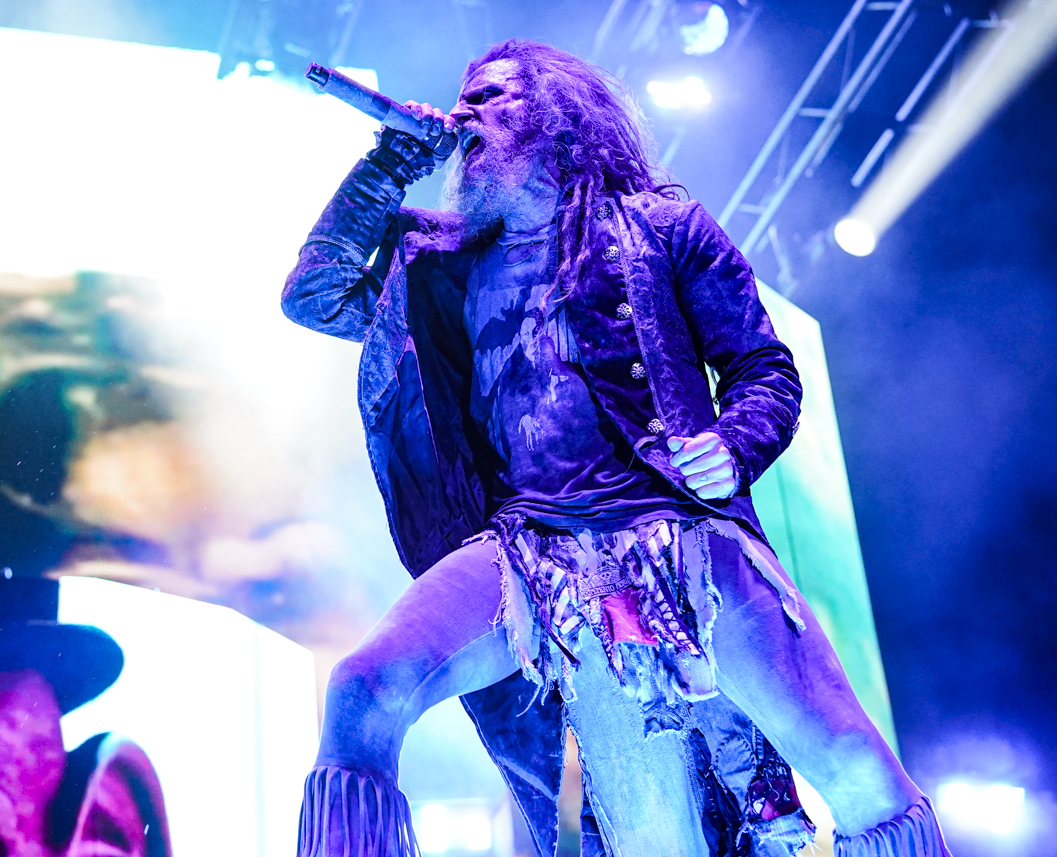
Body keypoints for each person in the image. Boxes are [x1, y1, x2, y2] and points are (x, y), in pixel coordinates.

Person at [283, 39, 949, 857]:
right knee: (362, 689)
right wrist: (388, 163)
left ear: (556, 115)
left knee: (857, 771)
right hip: (526, 552)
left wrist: (733, 444)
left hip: (682, 534)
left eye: (492, 96)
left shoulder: (662, 223)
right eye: (463, 99)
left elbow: (764, 367)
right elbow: (313, 295)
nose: (466, 114)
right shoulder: (440, 260)